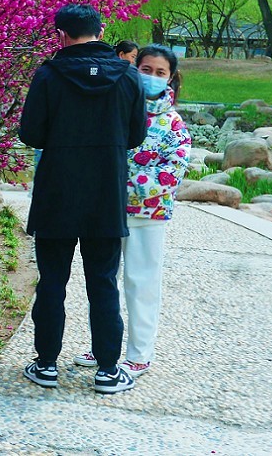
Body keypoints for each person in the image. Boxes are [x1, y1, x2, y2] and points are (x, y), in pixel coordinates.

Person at [19, 4, 147, 394]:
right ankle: (107, 370)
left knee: (52, 281)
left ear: (61, 35)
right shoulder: (128, 76)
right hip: (106, 194)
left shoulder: (48, 75)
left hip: (57, 192)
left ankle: (46, 364)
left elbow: (30, 134)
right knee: (103, 283)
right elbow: (136, 135)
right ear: (101, 31)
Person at [73, 44, 191, 378]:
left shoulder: (174, 125)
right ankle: (104, 346)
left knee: (141, 283)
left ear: (170, 77)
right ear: (133, 69)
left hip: (147, 215)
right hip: (107, 211)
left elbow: (170, 174)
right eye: (146, 69)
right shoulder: (116, 108)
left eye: (160, 72)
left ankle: (140, 354)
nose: (151, 77)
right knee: (103, 283)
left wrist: (120, 180)